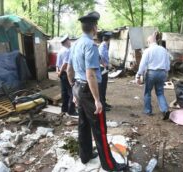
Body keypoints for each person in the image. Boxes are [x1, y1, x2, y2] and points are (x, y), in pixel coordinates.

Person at [66, 11, 127, 171]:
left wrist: (74, 91)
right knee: (100, 129)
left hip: (79, 88)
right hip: (88, 90)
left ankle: (85, 155)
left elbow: (69, 70)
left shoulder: (75, 44)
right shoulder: (90, 45)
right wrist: (97, 100)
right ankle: (109, 165)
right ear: (94, 27)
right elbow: (90, 74)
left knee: (83, 124)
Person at [136, 32, 170, 120]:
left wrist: (138, 75)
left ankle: (148, 110)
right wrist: (166, 72)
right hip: (162, 72)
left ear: (148, 42)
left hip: (151, 73)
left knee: (147, 92)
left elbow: (143, 64)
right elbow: (167, 63)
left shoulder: (148, 50)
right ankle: (165, 109)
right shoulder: (163, 50)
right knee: (160, 92)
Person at [56, 35, 76, 117]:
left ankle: (64, 109)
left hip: (61, 73)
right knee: (71, 92)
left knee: (64, 92)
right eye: (69, 40)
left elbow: (57, 64)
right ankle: (71, 111)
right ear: (66, 41)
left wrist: (58, 72)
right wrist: (60, 72)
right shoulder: (67, 51)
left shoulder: (60, 50)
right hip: (66, 73)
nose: (70, 42)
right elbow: (65, 63)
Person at [99, 32, 112, 111]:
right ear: (109, 39)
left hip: (104, 69)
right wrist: (105, 65)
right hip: (102, 69)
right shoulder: (103, 46)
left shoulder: (104, 45)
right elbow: (100, 57)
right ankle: (102, 104)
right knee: (102, 87)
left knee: (104, 87)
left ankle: (104, 102)